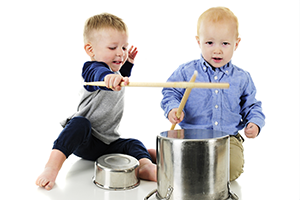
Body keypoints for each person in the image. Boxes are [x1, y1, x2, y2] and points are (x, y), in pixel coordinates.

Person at [36, 13, 156, 190]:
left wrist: (128, 62)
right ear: (91, 50)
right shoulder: (93, 70)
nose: (120, 53)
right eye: (113, 47)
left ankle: (145, 164)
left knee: (133, 143)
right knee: (80, 122)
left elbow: (120, 76)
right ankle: (51, 167)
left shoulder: (115, 74)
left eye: (124, 47)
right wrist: (107, 78)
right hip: (85, 140)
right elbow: (99, 74)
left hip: (106, 143)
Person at [161, 7, 265, 181]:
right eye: (210, 43)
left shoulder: (242, 78)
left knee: (230, 169)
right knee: (181, 170)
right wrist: (172, 109)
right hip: (192, 138)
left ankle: (207, 174)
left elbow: (252, 106)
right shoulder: (187, 71)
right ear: (198, 41)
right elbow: (170, 92)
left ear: (236, 44)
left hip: (227, 138)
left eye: (225, 43)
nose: (217, 50)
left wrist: (255, 123)